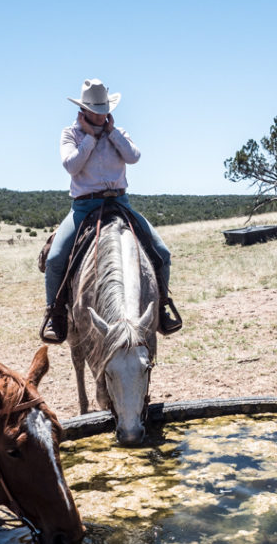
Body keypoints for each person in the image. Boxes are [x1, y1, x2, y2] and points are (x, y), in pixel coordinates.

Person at [40, 78, 182, 344]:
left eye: (104, 109)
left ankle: (162, 306)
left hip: (120, 203)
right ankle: (55, 314)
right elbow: (71, 166)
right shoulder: (70, 134)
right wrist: (91, 139)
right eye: (96, 110)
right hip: (85, 206)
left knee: (161, 252)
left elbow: (134, 156)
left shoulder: (118, 132)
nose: (102, 114)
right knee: (55, 258)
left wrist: (112, 133)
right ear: (83, 111)